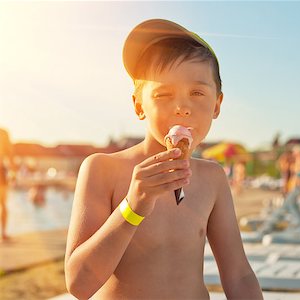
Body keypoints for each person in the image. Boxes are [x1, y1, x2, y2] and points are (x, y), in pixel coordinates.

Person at [64, 19, 262, 299]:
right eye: (164, 94)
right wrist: (133, 206)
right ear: (138, 105)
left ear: (216, 104)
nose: (182, 107)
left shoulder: (213, 178)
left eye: (197, 92)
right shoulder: (102, 169)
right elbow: (79, 285)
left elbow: (239, 275)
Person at [0, 128, 15, 241]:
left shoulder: (4, 133)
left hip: (1, 173)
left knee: (4, 204)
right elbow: (9, 155)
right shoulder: (4, 133)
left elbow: (9, 155)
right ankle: (4, 233)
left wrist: (12, 171)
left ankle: (4, 232)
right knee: (4, 204)